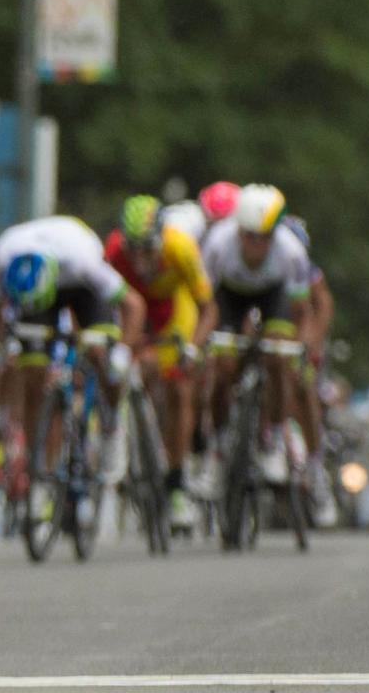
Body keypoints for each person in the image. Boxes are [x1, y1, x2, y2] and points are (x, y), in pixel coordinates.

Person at [0, 215, 146, 505]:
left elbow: (133, 305)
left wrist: (121, 352)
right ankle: (40, 468)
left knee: (100, 355)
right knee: (33, 374)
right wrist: (3, 343)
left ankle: (111, 427)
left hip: (82, 287)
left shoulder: (83, 262)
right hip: (34, 291)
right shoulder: (1, 259)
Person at [103, 195, 217, 532]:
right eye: (133, 250)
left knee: (180, 388)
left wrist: (193, 348)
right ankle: (124, 440)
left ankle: (177, 482)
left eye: (148, 249)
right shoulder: (113, 252)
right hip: (135, 316)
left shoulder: (180, 248)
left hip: (174, 316)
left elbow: (209, 309)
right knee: (125, 369)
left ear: (161, 238)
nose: (140, 260)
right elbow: (103, 303)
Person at [198, 185, 316, 495]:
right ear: (238, 229)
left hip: (273, 297)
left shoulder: (291, 252)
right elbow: (205, 302)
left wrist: (301, 348)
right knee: (223, 368)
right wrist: (202, 341)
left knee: (278, 358)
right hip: (229, 297)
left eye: (265, 237)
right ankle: (219, 446)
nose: (256, 245)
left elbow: (301, 311)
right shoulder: (217, 244)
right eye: (249, 235)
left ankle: (275, 438)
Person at [282, 214, 338, 527]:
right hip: (276, 333)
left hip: (302, 341)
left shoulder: (310, 273)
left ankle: (316, 469)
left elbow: (322, 307)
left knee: (303, 387)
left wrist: (311, 346)